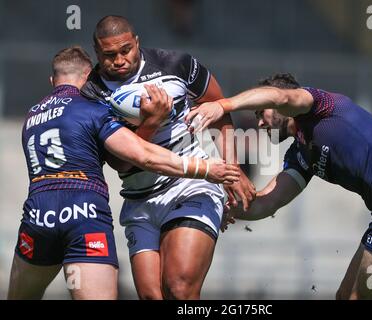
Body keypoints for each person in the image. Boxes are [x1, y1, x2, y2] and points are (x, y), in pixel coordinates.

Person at [186, 73, 372, 299]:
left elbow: (282, 98)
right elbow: (268, 202)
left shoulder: (320, 105)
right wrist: (219, 207)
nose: (260, 123)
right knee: (344, 297)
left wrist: (222, 106)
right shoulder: (300, 154)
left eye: (261, 113)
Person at [8, 46, 239, 300]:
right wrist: (205, 168)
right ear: (88, 78)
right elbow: (142, 155)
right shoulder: (93, 109)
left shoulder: (31, 117)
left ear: (53, 81)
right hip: (83, 213)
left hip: (38, 216)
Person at [80, 15, 255, 300]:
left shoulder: (176, 65)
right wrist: (150, 123)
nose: (119, 60)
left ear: (137, 42)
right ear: (97, 54)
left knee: (180, 289)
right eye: (109, 55)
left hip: (191, 186)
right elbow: (120, 162)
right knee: (153, 296)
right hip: (140, 200)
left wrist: (232, 169)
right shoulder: (92, 94)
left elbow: (218, 108)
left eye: (126, 50)